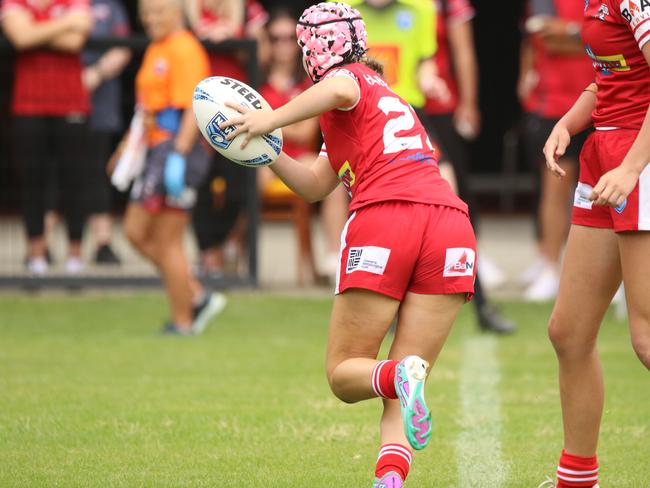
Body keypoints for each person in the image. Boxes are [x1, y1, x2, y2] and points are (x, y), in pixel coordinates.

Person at [221, 4, 476, 486]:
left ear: (314, 50)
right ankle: (390, 478)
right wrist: (266, 153)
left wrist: (266, 119)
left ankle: (399, 374)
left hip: (389, 219)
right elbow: (318, 185)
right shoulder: (378, 98)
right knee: (400, 383)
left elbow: (339, 85)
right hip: (451, 228)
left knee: (343, 374)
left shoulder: (347, 82)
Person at [347, 0, 515, 334]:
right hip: (365, 124)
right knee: (381, 218)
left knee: (453, 207)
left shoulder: (422, 10)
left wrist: (430, 79)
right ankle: (388, 307)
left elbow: (425, 63)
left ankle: (479, 303)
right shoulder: (345, 10)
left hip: (412, 120)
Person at [540, 0, 650, 486]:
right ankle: (577, 480)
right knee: (569, 331)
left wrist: (632, 169)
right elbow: (611, 77)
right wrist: (567, 123)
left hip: (637, 158)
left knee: (646, 338)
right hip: (603, 154)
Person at [121, 0, 225, 335]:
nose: (150, 20)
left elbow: (193, 108)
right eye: (146, 14)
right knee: (138, 233)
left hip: (175, 149)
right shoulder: (158, 47)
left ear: (177, 13)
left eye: (158, 12)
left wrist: (178, 157)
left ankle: (183, 322)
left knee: (166, 240)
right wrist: (129, 147)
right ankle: (195, 295)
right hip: (156, 149)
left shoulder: (185, 49)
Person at [1, 0, 93, 275]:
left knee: (75, 179)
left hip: (72, 103)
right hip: (27, 104)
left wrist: (35, 30)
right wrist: (66, 23)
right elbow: (21, 38)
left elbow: (75, 42)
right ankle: (36, 256)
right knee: (32, 180)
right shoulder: (13, 2)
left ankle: (75, 257)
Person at [259, 7, 349, 279]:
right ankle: (224, 258)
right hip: (260, 159)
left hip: (300, 156)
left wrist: (265, 123)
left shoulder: (312, 80)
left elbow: (305, 131)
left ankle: (335, 255)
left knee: (334, 177)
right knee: (238, 174)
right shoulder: (257, 78)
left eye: (290, 38)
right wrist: (284, 126)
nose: (283, 45)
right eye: (276, 38)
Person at [186, 0, 269, 277]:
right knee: (198, 186)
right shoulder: (187, 9)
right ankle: (206, 253)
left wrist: (235, 37)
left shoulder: (249, 9)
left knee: (237, 188)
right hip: (194, 113)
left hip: (236, 115)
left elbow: (264, 56)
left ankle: (222, 248)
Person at [518, 0, 593, 301]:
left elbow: (610, 42)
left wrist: (574, 34)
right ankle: (550, 264)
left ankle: (605, 273)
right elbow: (544, 39)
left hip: (599, 102)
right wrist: (581, 36)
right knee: (555, 188)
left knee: (600, 190)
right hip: (554, 105)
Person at [82, 0, 132, 265]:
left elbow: (123, 48)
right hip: (57, 100)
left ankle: (102, 242)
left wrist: (96, 73)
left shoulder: (111, 6)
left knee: (97, 172)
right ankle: (42, 244)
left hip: (100, 106)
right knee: (55, 172)